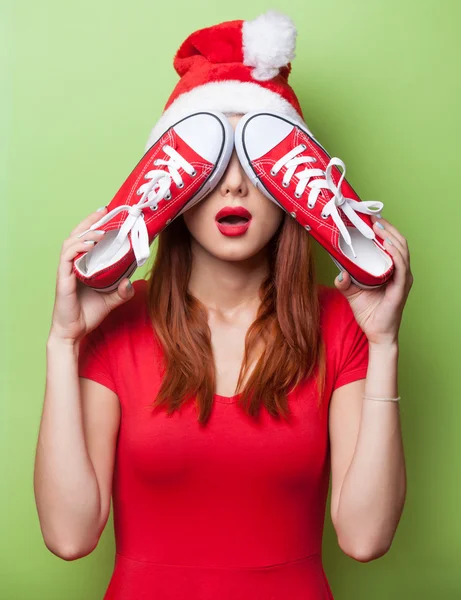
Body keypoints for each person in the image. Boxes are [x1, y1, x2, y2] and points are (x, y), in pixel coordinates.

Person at [34, 11, 413, 600]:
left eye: (255, 161)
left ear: (293, 188)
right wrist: (64, 342)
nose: (233, 185)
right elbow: (68, 534)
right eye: (212, 162)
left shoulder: (342, 326)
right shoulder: (118, 327)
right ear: (173, 188)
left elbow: (364, 539)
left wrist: (385, 343)